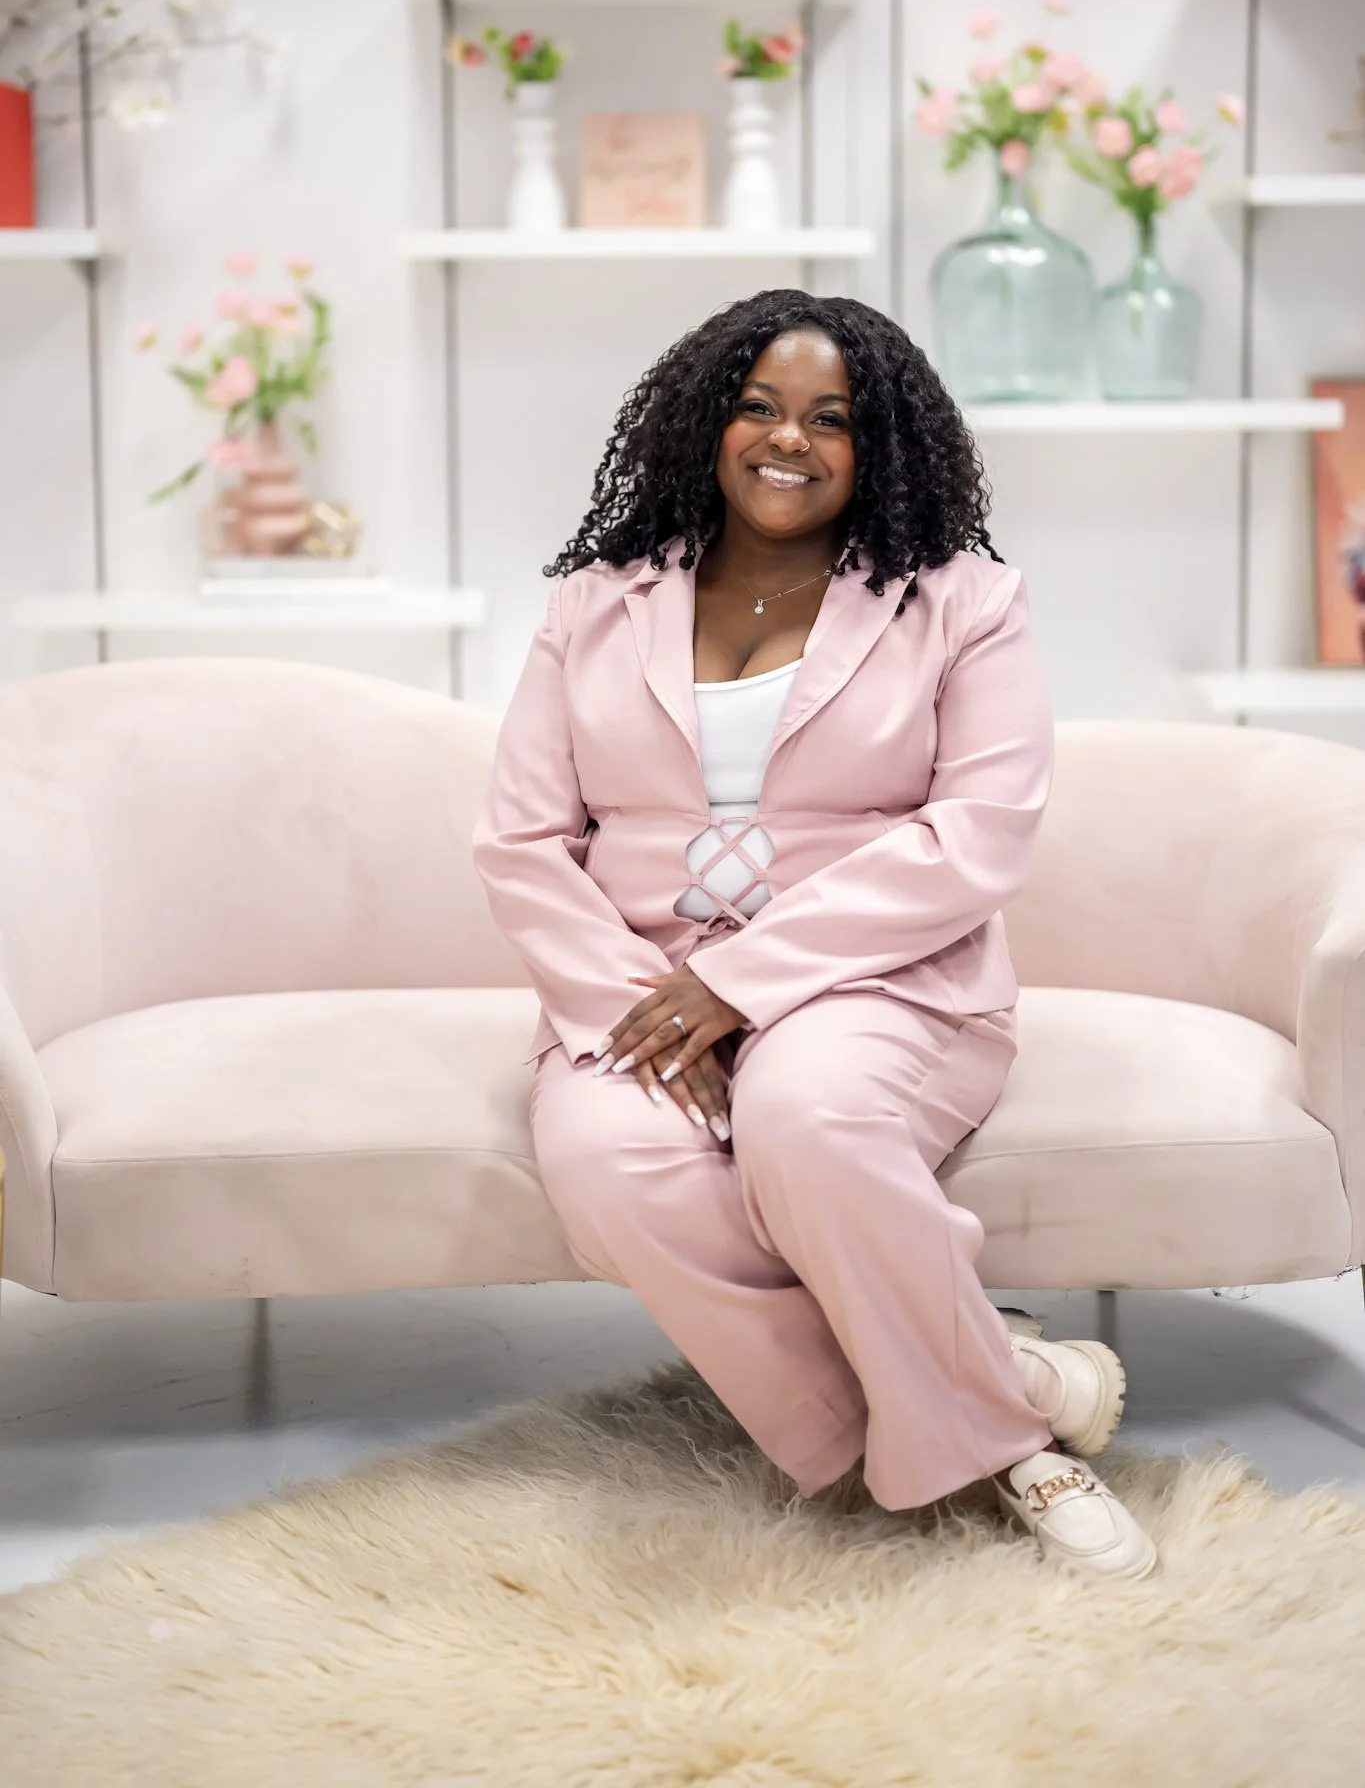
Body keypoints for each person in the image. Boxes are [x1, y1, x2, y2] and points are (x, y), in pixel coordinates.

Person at [472, 288, 1156, 1581]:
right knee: (614, 1168)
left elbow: (980, 834)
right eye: (761, 406)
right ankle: (992, 1380)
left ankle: (1015, 1451)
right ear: (706, 422)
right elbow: (520, 841)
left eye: (831, 419)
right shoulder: (594, 606)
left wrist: (737, 981)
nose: (791, 439)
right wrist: (650, 997)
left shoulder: (964, 601)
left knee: (810, 1117)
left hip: (882, 981)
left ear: (879, 444)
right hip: (640, 989)